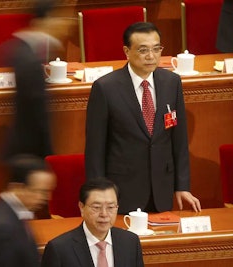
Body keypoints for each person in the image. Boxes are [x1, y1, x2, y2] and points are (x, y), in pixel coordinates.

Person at [85, 22, 201, 214]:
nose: (151, 56)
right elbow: (95, 149)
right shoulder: (105, 88)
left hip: (161, 189)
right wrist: (98, 195)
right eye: (143, 50)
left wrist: (182, 185)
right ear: (126, 51)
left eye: (157, 49)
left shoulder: (172, 82)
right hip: (121, 191)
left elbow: (179, 140)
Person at [0, 0, 74, 160]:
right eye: (61, 17)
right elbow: (36, 113)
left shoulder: (24, 49)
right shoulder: (28, 59)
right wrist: (47, 156)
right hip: (28, 153)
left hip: (25, 151)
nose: (67, 23)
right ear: (47, 20)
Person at [41, 179, 144, 267]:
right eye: (96, 207)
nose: (104, 214)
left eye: (111, 207)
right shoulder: (59, 249)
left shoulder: (131, 242)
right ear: (81, 207)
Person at [0, 154, 56, 267]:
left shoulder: (14, 213)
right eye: (41, 191)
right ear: (17, 187)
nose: (47, 197)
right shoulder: (4, 228)